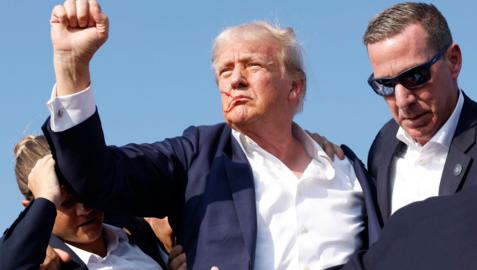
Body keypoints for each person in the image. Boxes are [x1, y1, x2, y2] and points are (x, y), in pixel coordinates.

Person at [42, 0, 380, 269]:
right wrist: (73, 67)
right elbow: (96, 175)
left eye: (253, 65)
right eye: (225, 71)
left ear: (295, 87)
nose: (235, 80)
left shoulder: (347, 168)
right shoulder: (196, 158)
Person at [363, 2, 477, 226]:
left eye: (415, 77)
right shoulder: (382, 147)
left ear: (453, 61)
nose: (402, 101)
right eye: (385, 85)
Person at [0, 135, 169, 269]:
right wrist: (45, 199)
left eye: (87, 193)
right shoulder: (44, 263)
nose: (85, 209)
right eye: (65, 203)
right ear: (33, 209)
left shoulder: (141, 233)